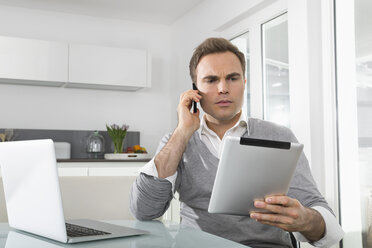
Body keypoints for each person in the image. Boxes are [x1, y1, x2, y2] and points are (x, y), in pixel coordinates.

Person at [130, 37, 344, 247]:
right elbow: (144, 210)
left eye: (232, 78)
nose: (223, 88)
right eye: (211, 80)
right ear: (195, 89)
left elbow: (330, 229)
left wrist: (306, 219)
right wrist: (182, 131)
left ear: (244, 83)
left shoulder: (279, 136)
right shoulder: (177, 141)